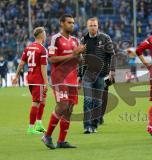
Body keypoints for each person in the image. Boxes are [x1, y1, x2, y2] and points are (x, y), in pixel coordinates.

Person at [42, 14, 85, 149]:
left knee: (69, 109)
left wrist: (80, 55)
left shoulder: (76, 41)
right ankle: (47, 136)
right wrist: (72, 54)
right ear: (61, 23)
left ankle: (61, 141)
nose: (72, 25)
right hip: (59, 77)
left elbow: (80, 61)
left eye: (73, 22)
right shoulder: (56, 39)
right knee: (62, 106)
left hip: (72, 79)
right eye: (69, 22)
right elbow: (52, 59)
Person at [80, 17, 115, 134]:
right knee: (87, 100)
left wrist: (112, 71)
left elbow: (112, 55)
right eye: (91, 25)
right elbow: (80, 59)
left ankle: (94, 125)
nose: (93, 27)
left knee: (97, 101)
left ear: (98, 26)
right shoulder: (83, 40)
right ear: (87, 26)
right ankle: (86, 126)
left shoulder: (105, 38)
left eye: (95, 25)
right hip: (87, 75)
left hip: (101, 74)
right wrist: (79, 75)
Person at [12, 27, 48, 134]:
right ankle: (31, 128)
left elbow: (22, 63)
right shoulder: (42, 49)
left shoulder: (28, 48)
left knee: (43, 100)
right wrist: (46, 82)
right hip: (38, 80)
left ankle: (39, 124)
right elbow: (43, 68)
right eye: (45, 33)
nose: (46, 36)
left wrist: (16, 76)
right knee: (36, 102)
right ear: (41, 35)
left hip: (31, 78)